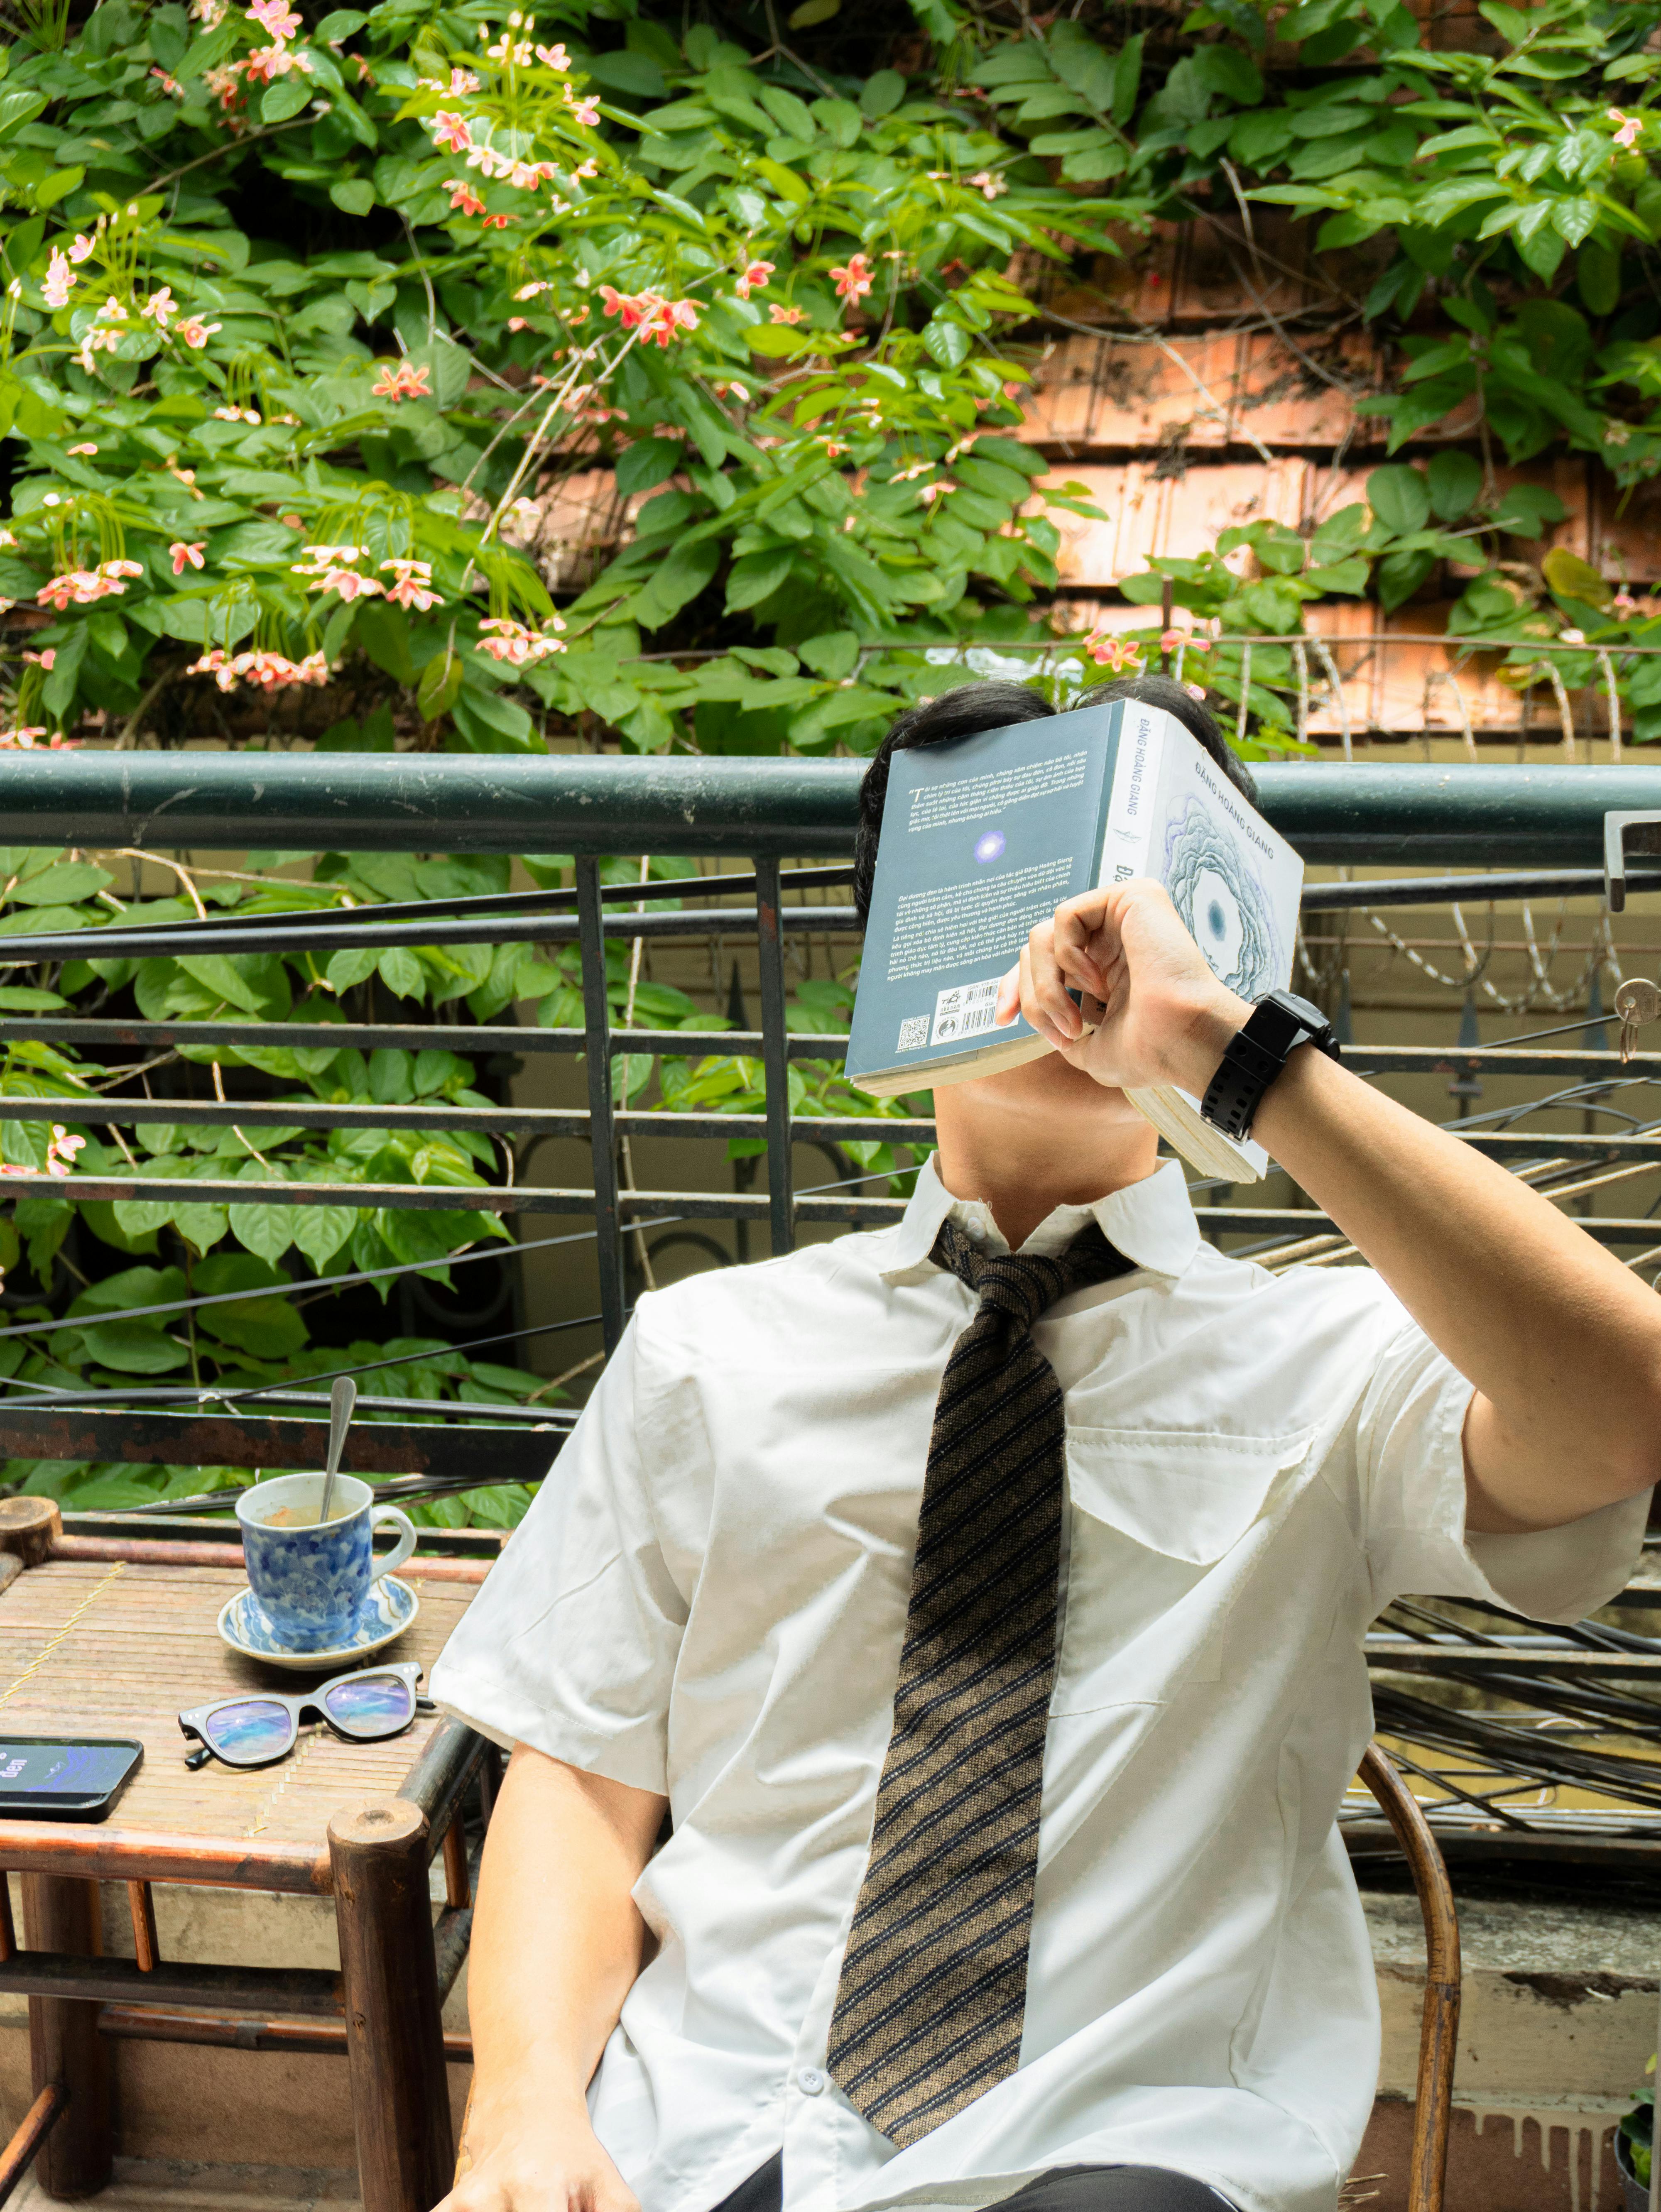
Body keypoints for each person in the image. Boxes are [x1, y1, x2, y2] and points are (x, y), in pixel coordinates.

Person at [431, 676, 1660, 2212]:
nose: (1062, 950)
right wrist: (528, 2115)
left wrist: (1236, 1052)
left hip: (1129, 2144)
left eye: (1112, 908)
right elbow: (584, 1766)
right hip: (713, 2128)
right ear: (891, 956)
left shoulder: (1335, 1360)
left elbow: (1624, 1414)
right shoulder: (708, 1349)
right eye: (1004, 890)